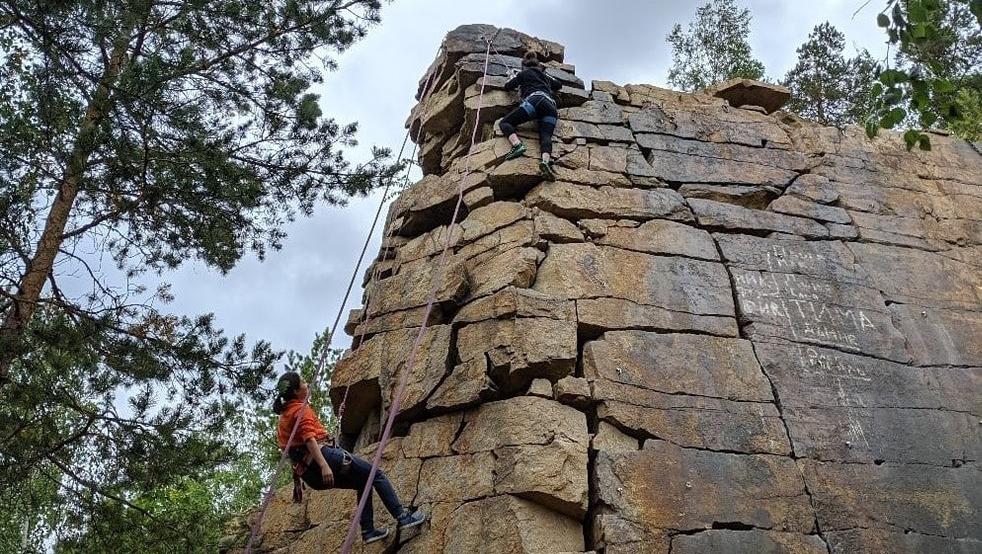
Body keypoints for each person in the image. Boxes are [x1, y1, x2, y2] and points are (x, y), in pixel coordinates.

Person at [273, 372, 426, 544]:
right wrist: (324, 465)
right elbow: (309, 439)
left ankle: (368, 531)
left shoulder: (284, 417)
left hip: (310, 476)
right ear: (295, 391)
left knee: (363, 481)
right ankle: (403, 517)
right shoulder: (300, 409)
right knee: (376, 474)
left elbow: (299, 446)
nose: (307, 383)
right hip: (320, 461)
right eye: (303, 382)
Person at [499, 51, 562, 180]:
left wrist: (512, 78)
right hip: (551, 106)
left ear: (524, 66)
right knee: (545, 135)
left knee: (505, 123)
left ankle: (517, 145)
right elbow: (558, 85)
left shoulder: (523, 73)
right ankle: (545, 161)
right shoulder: (545, 76)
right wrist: (545, 75)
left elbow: (508, 87)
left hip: (535, 100)